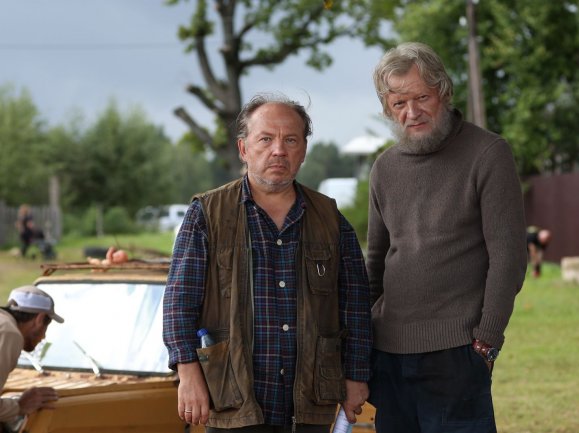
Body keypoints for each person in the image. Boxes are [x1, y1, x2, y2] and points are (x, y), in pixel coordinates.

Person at [162, 94, 372, 432]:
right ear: (243, 149)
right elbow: (178, 303)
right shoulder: (207, 215)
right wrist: (187, 371)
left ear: (303, 150)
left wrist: (356, 376)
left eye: (291, 140)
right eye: (266, 139)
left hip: (311, 401)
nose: (279, 150)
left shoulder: (331, 219)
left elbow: (356, 307)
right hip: (231, 397)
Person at [365, 42, 528, 433]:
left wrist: (487, 340)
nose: (412, 112)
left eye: (422, 97)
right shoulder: (384, 168)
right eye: (399, 103)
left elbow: (508, 257)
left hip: (459, 354)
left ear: (443, 91)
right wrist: (363, 338)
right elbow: (376, 260)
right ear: (387, 109)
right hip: (387, 355)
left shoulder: (488, 153)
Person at [1, 285, 64, 423]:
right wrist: (19, 406)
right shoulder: (9, 333)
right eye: (46, 326)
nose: (43, 337)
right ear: (40, 319)